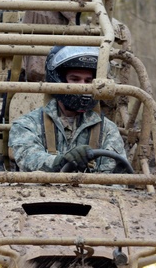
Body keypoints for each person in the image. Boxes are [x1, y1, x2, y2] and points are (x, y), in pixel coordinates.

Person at [8, 45, 128, 173]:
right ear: (59, 80)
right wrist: (61, 162)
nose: (83, 88)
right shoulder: (28, 124)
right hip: (41, 192)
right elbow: (28, 158)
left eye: (88, 81)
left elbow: (115, 179)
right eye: (75, 79)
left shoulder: (108, 130)